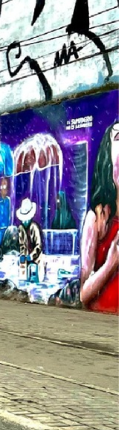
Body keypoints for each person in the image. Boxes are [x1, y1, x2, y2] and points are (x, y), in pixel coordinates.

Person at [82, 122, 119, 312]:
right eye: (118, 137)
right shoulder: (96, 218)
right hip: (97, 320)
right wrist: (110, 264)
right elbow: (83, 294)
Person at [15, 198, 43, 282]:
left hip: (36, 259)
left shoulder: (34, 227)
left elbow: (38, 245)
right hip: (26, 259)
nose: (24, 221)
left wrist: (32, 256)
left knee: (35, 277)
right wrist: (22, 255)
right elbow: (22, 245)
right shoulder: (21, 228)